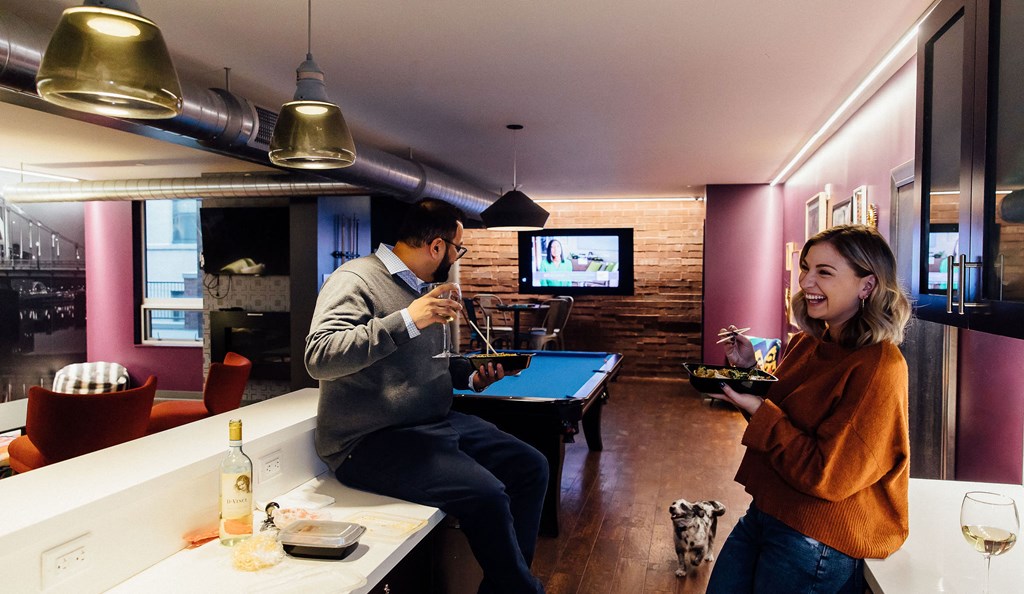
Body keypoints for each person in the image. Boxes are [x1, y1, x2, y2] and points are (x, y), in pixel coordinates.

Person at [305, 198, 548, 594]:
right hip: (368, 440)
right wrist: (407, 320)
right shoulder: (355, 278)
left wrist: (471, 375)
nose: (456, 256)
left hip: (433, 424)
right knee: (487, 495)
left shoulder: (424, 289)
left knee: (532, 467)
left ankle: (503, 589)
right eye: (458, 248)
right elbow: (319, 356)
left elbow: (430, 362)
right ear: (436, 247)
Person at [706, 225, 912, 594]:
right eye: (806, 268)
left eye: (824, 272)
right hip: (768, 509)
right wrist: (750, 374)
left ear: (867, 286)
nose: (806, 281)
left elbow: (828, 476)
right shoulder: (808, 342)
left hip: (816, 537)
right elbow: (780, 418)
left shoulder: (880, 367)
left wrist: (758, 406)